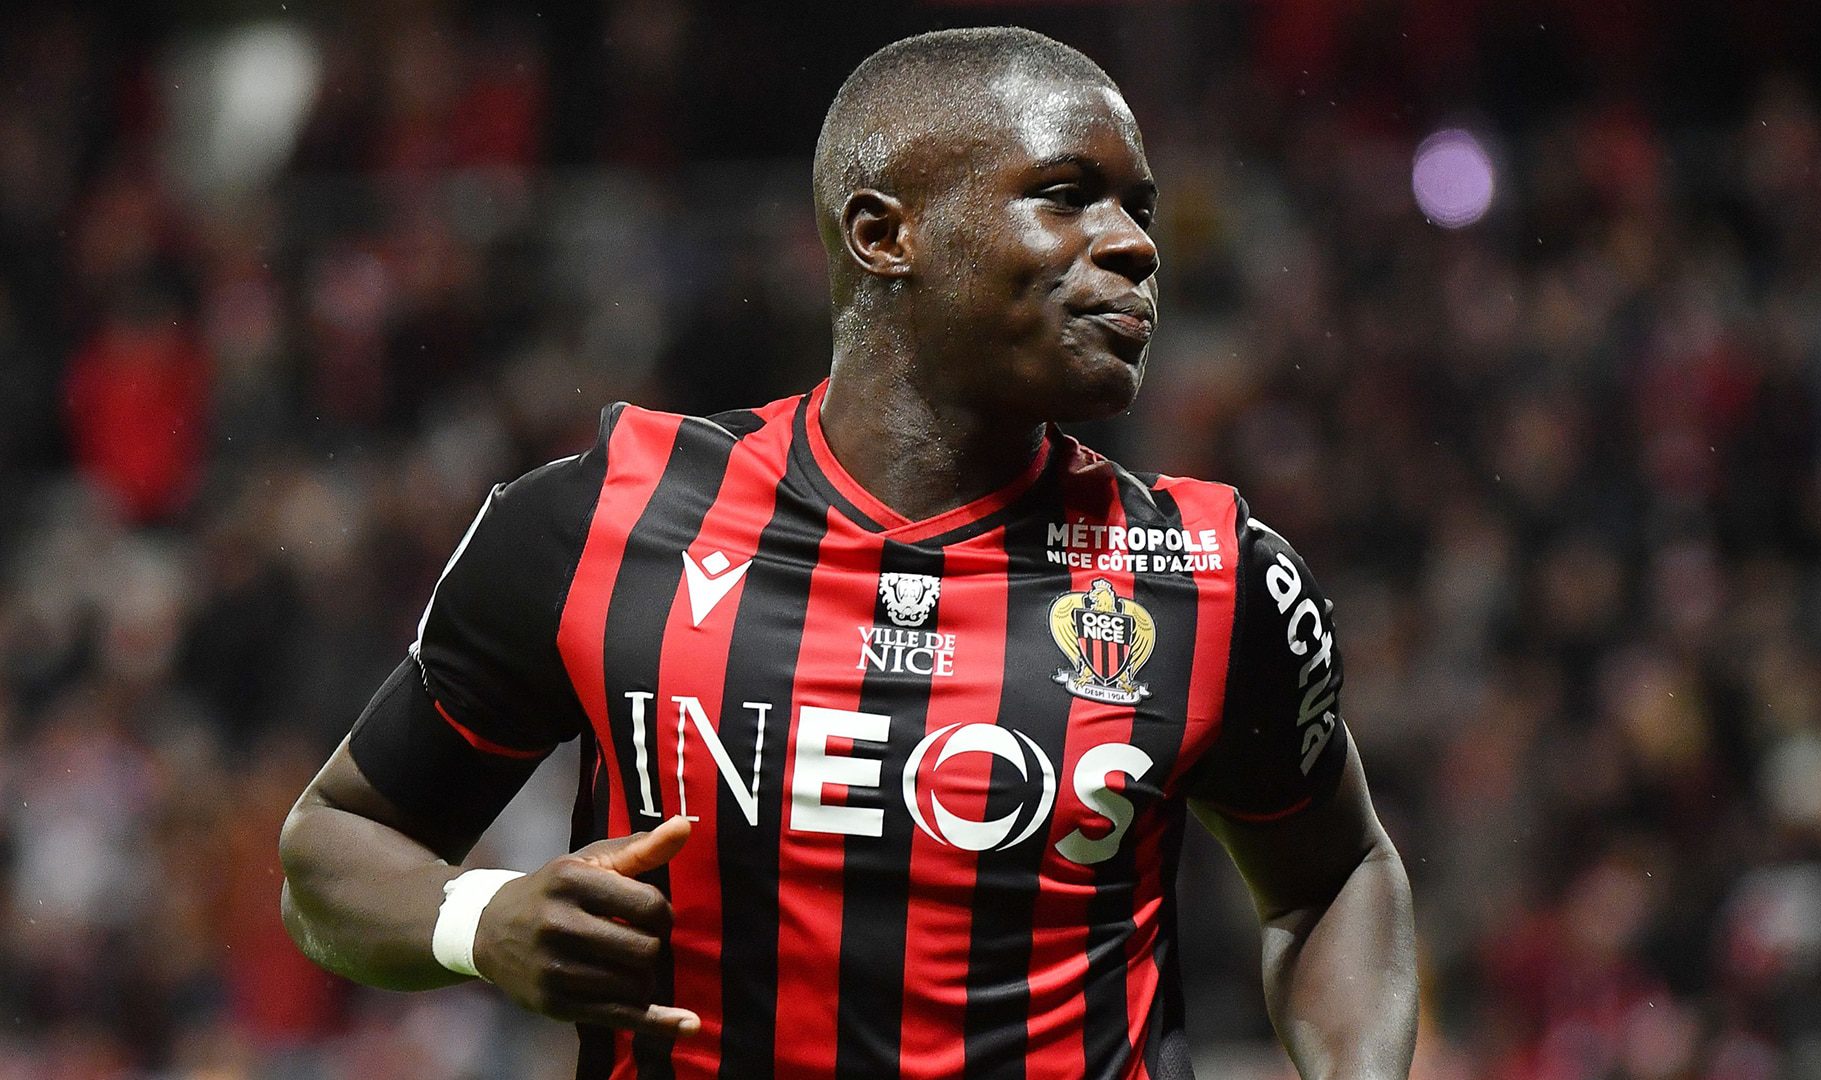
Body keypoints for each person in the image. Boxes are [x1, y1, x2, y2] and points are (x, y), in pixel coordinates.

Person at [280, 26, 1417, 1080]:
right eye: (1067, 197)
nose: (1132, 247)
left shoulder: (1214, 574)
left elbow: (1335, 882)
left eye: (1140, 211)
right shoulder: (605, 522)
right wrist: (476, 924)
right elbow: (334, 845)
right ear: (884, 234)